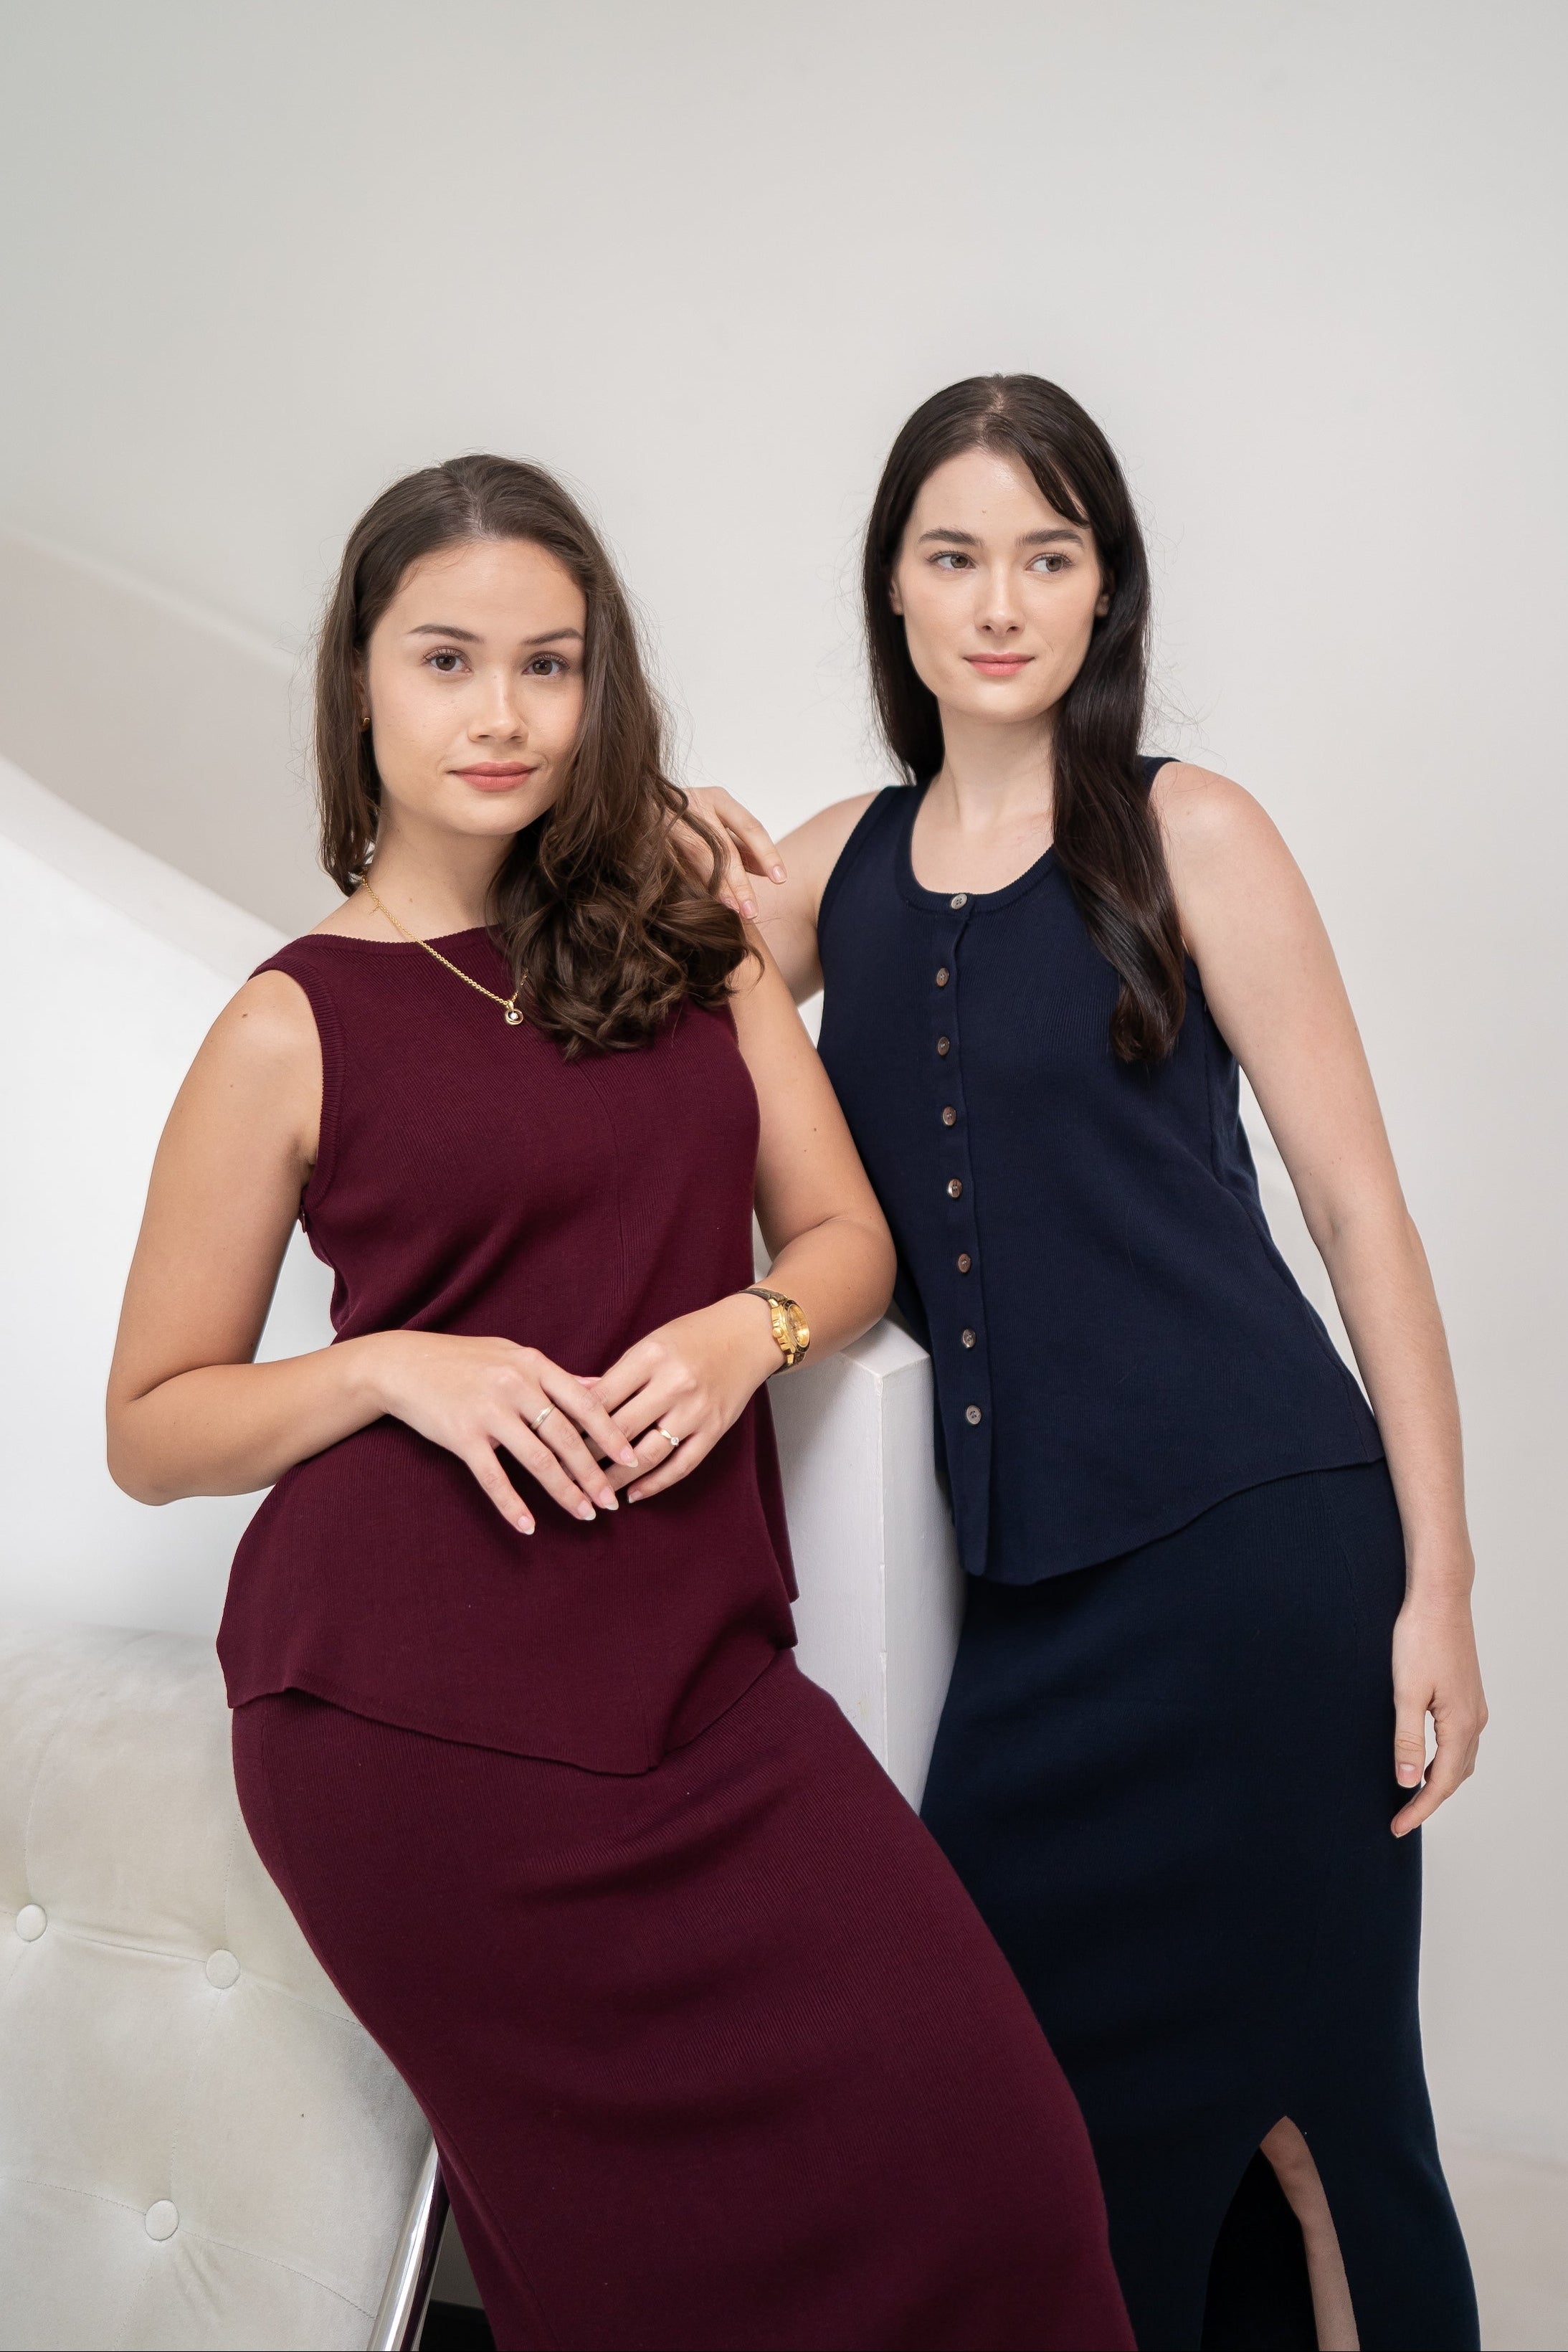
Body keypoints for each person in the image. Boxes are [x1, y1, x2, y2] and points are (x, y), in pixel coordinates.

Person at [105, 454, 1133, 2352]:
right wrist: (390, 1365)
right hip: (410, 1736)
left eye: (548, 666)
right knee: (642, 2283)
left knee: (1002, 2167)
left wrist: (750, 1331)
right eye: (444, 661)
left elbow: (843, 1238)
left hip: (702, 1689)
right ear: (359, 687)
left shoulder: (684, 943)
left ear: (602, 690)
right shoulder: (291, 1020)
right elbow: (152, 1427)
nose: (499, 713)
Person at [685, 376, 1485, 2352]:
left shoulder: (1187, 831)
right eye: (953, 554)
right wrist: (640, 817)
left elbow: (1360, 1214)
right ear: (891, 585)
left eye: (1045, 555)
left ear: (1102, 584)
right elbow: (623, 1003)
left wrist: (1439, 1589)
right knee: (1034, 2126)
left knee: (1322, 2117)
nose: (998, 600)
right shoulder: (829, 871)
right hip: (1035, 1615)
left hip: (1266, 1566)